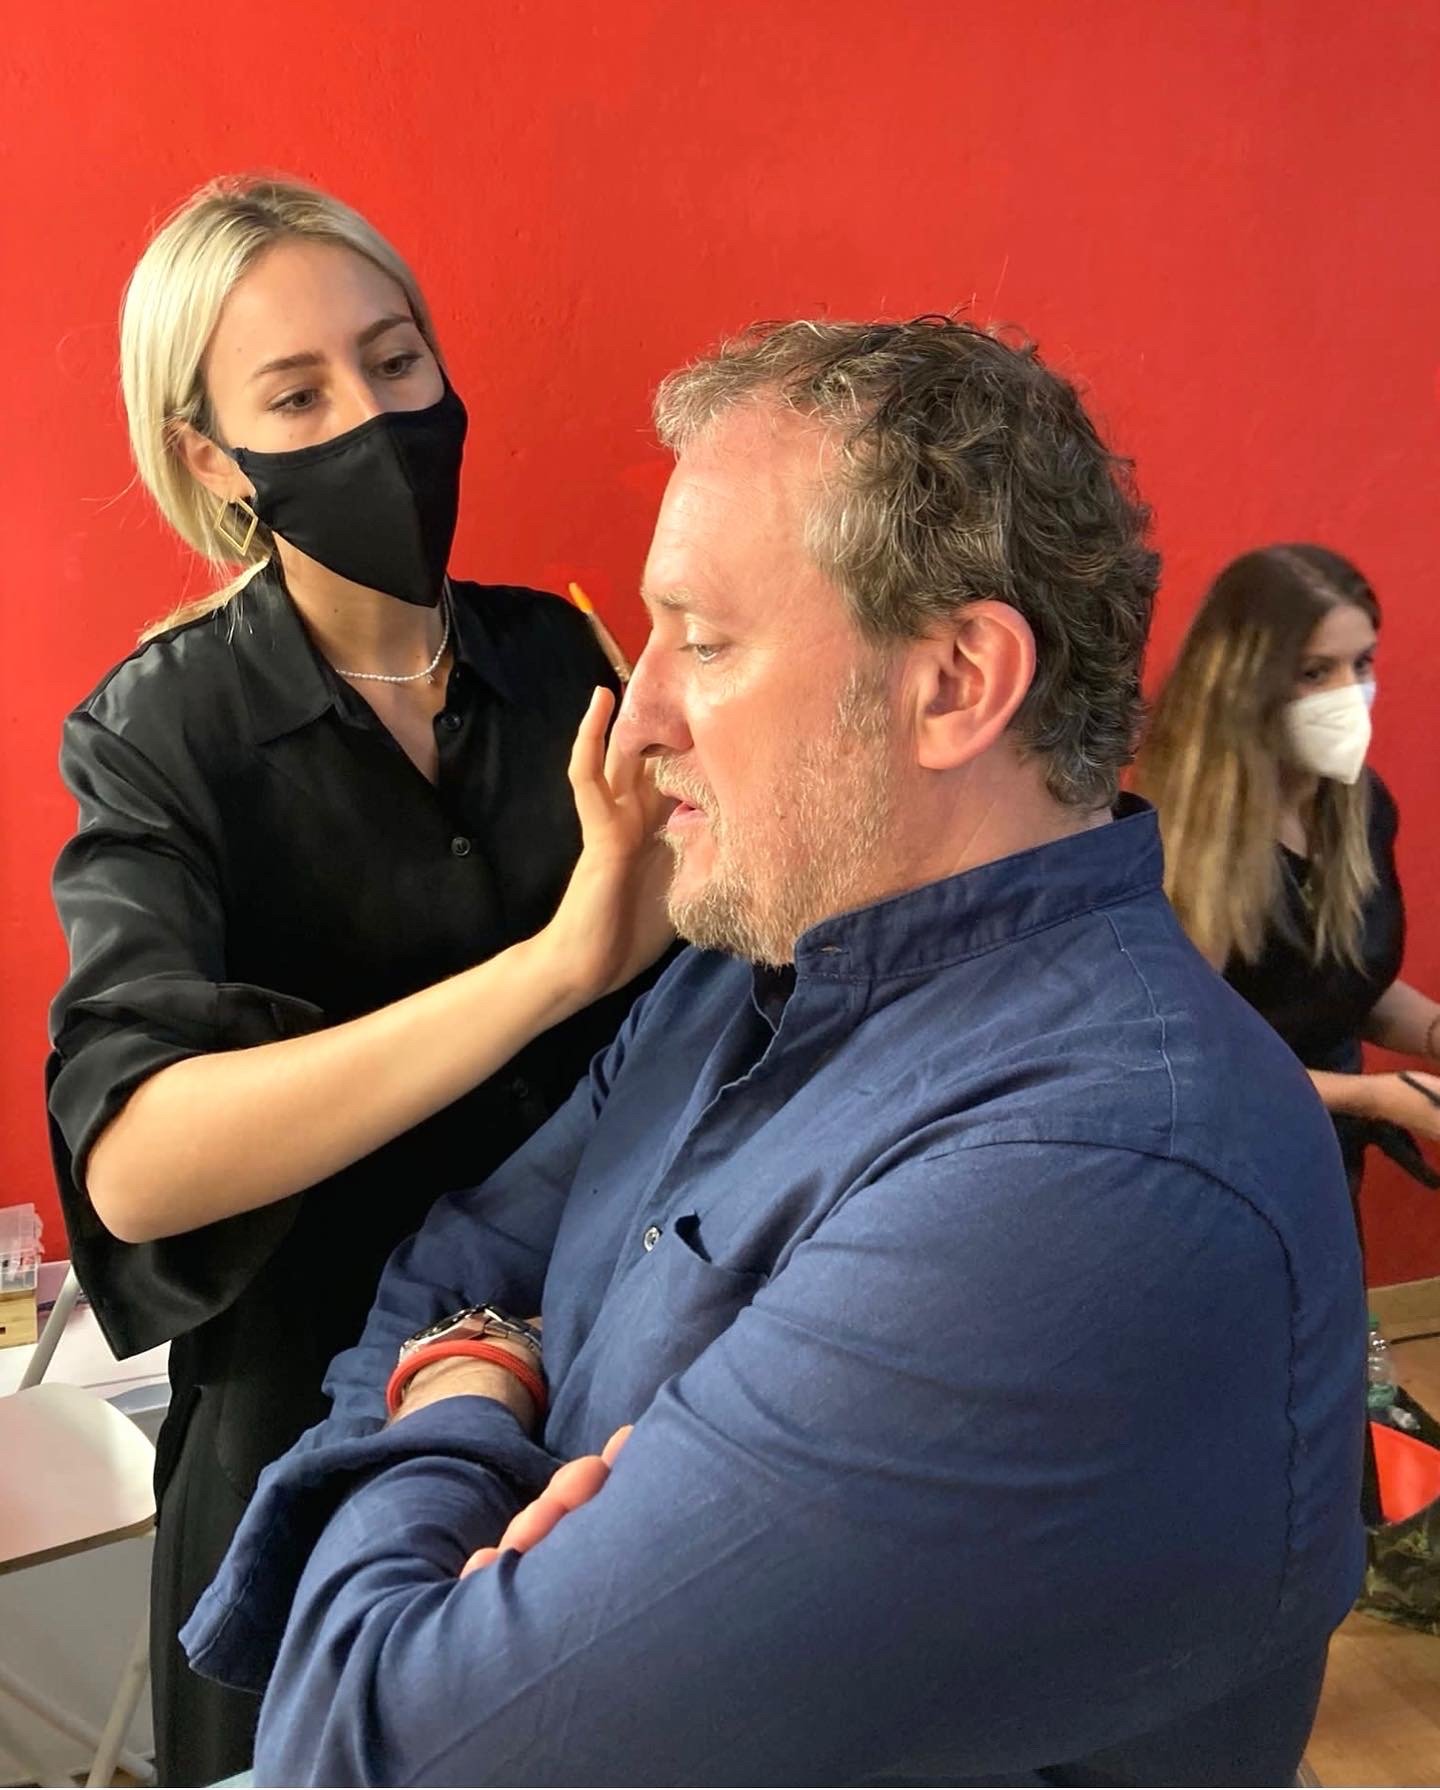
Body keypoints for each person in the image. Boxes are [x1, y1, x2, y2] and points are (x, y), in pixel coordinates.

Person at [184, 318, 1364, 1787]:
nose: (637, 718)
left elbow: (388, 1748)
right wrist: (477, 1367)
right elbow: (453, 1258)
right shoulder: (734, 972)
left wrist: (460, 1403)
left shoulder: (1097, 1179)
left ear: (955, 681)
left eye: (704, 640)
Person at [46, 177, 670, 1786]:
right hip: (301, 1451)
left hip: (598, 1398)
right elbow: (140, 1161)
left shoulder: (568, 661)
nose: (375, 420)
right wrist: (551, 970)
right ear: (210, 455)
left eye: (397, 363)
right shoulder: (163, 733)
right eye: (298, 396)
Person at [1135, 544, 1440, 1217]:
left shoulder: (1358, 807)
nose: (1349, 694)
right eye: (1314, 672)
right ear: (1243, 684)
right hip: (1224, 1182)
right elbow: (1190, 1063)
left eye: (1362, 664)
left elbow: (1339, 986)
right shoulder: (1182, 850)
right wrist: (1379, 1097)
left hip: (1325, 1161)